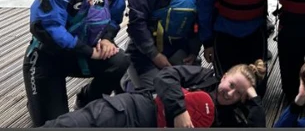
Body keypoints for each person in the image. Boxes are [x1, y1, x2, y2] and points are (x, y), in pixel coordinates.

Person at [23, 0, 129, 127]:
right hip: (48, 58)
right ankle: (39, 102)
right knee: (54, 124)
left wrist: (106, 38)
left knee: (120, 60)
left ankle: (87, 99)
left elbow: (115, 18)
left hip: (83, 55)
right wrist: (88, 51)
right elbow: (49, 28)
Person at [41, 61, 268, 128]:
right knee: (74, 124)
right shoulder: (202, 76)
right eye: (230, 84)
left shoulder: (231, 119)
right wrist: (179, 111)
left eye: (238, 93)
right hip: (140, 109)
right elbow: (165, 76)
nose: (229, 93)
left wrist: (254, 97)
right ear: (224, 75)